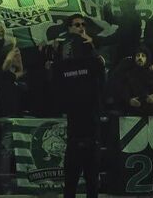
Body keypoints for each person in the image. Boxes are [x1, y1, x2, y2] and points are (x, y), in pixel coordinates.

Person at [53, 14, 105, 198]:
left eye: (83, 25)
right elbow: (55, 82)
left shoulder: (91, 54)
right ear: (69, 28)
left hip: (92, 133)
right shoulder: (62, 56)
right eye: (77, 25)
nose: (81, 28)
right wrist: (54, 53)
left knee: (92, 185)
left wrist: (92, 46)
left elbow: (102, 75)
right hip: (74, 135)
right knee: (71, 186)